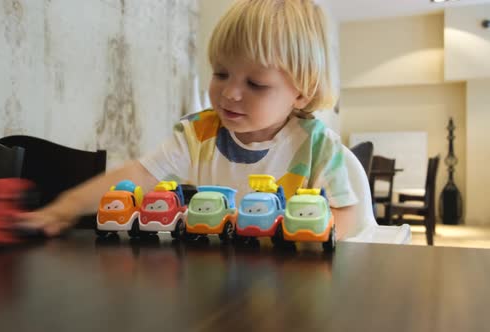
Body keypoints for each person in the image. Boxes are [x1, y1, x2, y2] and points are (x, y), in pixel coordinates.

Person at [19, 0, 359, 238]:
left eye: (255, 83)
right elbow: (137, 174)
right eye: (221, 73)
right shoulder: (200, 134)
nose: (230, 93)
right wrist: (64, 207)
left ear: (300, 92)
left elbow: (345, 214)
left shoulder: (317, 145)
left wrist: (310, 241)